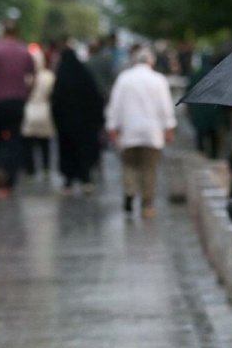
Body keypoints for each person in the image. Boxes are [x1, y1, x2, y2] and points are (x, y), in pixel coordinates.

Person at [106, 47, 177, 219]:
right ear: (151, 62)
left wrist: (112, 126)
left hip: (129, 130)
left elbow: (115, 104)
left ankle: (130, 192)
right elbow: (166, 106)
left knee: (129, 165)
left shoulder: (124, 78)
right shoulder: (159, 80)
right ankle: (147, 204)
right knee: (149, 168)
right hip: (152, 132)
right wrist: (169, 127)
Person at [0, 20, 35, 197]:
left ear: (3, 32)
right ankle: (12, 176)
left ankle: (0, 169)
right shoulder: (24, 51)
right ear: (17, 32)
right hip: (18, 101)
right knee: (15, 138)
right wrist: (27, 93)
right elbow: (33, 76)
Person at [51, 48, 104, 193]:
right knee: (84, 150)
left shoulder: (61, 78)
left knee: (67, 151)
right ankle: (85, 178)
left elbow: (55, 102)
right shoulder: (85, 76)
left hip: (66, 125)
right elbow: (96, 99)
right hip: (85, 125)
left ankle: (68, 178)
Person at [21, 50, 55, 178]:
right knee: (44, 142)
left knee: (28, 143)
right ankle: (46, 167)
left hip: (30, 110)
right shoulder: (49, 76)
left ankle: (30, 168)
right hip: (45, 110)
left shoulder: (27, 76)